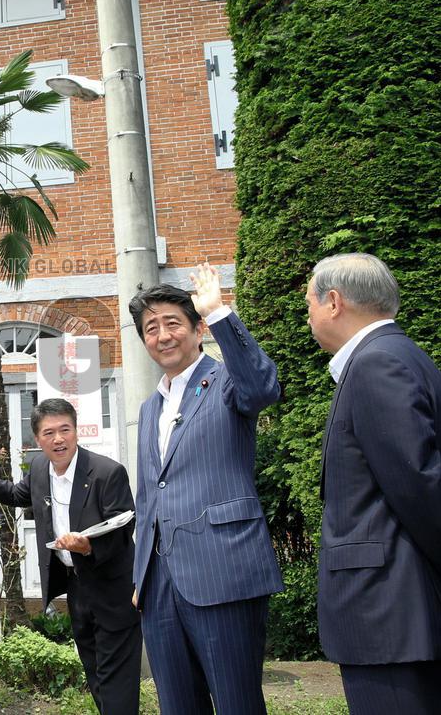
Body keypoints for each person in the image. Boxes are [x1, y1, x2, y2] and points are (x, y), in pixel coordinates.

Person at [127, 264, 283, 715]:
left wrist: (218, 311)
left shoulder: (227, 381)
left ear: (198, 330)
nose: (162, 335)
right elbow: (148, 496)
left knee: (237, 703)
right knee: (178, 704)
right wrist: (140, 576)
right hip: (159, 585)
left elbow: (263, 386)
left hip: (223, 572)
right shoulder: (150, 407)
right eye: (151, 329)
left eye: (173, 323)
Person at [305, 253, 441, 713]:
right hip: (398, 612)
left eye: (309, 303)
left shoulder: (375, 364)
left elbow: (419, 484)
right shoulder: (401, 355)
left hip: (387, 615)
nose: (308, 317)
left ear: (334, 302)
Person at [0, 398, 141, 714]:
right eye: (49, 433)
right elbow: (15, 495)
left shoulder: (108, 473)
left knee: (116, 679)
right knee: (96, 673)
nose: (59, 439)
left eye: (65, 429)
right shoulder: (40, 468)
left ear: (76, 431)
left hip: (114, 591)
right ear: (37, 440)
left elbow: (124, 527)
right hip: (78, 591)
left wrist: (88, 546)